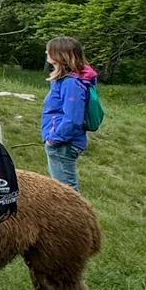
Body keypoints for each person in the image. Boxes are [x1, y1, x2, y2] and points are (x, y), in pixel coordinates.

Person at [42, 36, 99, 192]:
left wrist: (54, 139)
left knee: (66, 192)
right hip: (61, 142)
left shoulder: (71, 83)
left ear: (61, 55)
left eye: (50, 50)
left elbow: (73, 119)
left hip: (63, 144)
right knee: (63, 189)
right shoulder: (64, 80)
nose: (46, 52)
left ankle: (75, 217)